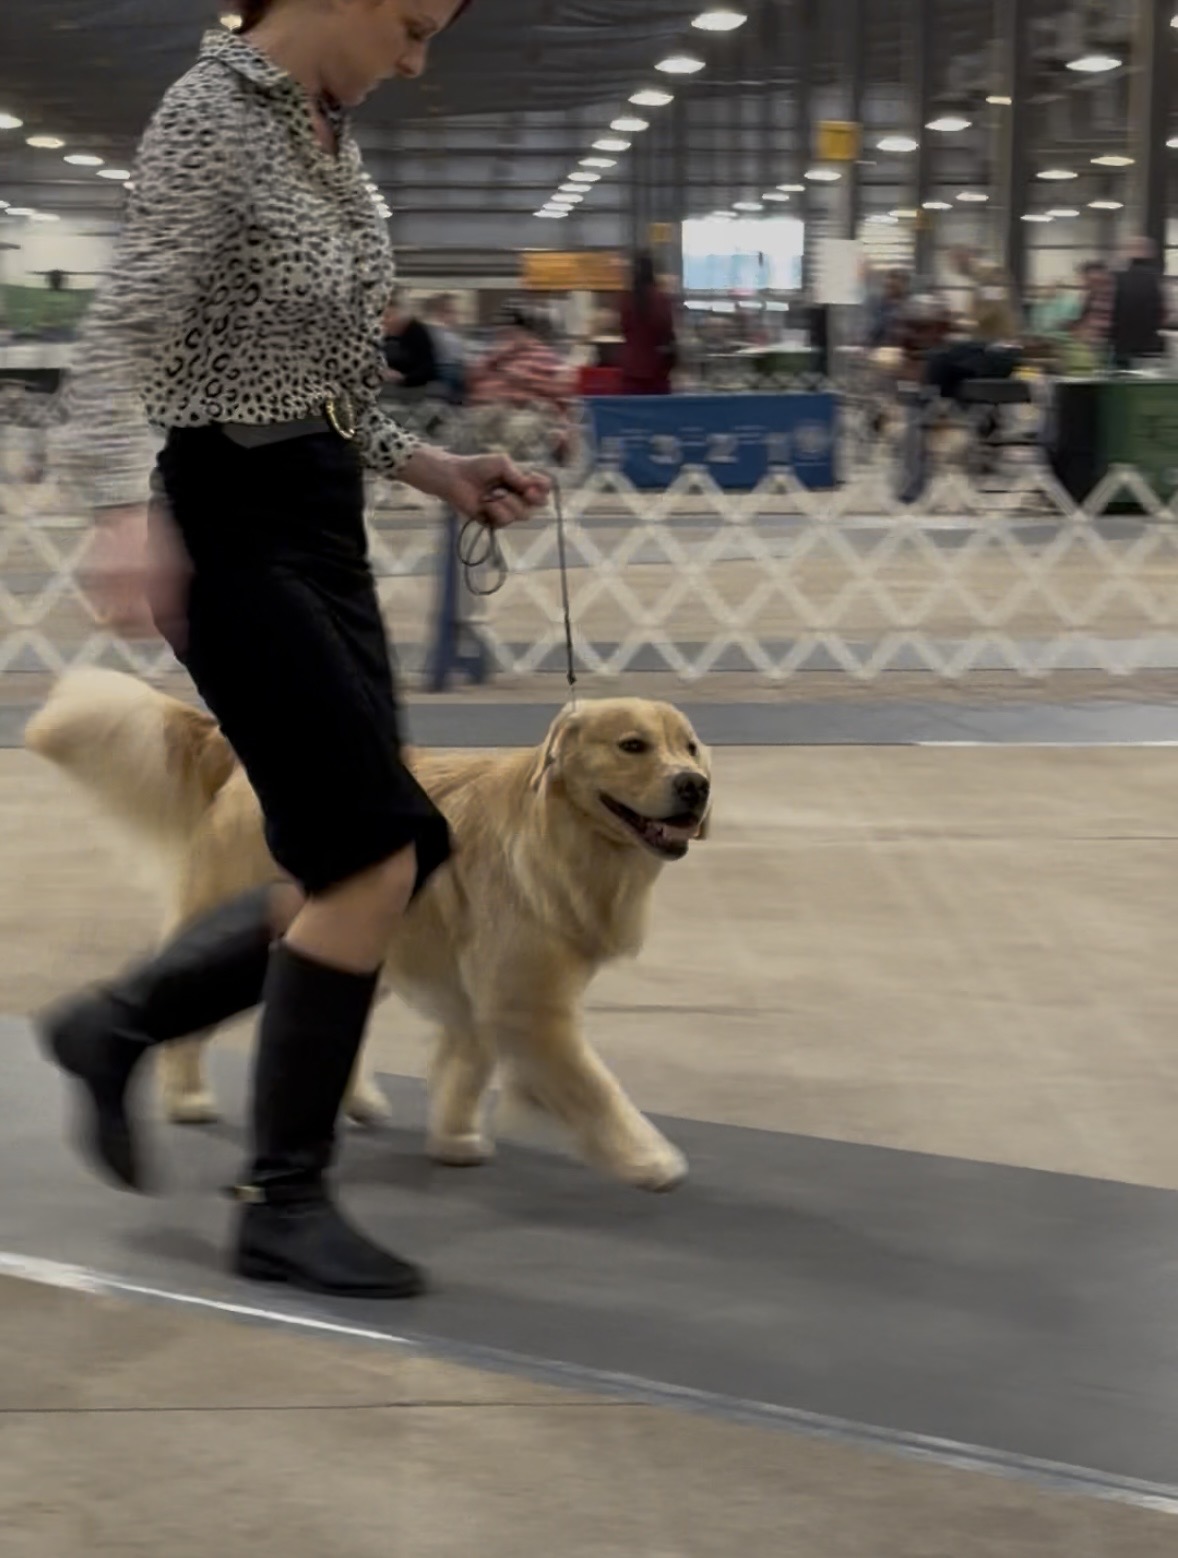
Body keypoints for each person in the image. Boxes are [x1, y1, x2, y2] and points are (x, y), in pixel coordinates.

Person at [41, 0, 550, 1301]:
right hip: (232, 525)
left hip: (321, 521)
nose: (415, 61)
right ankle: (280, 1199)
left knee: (380, 850)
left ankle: (117, 1023)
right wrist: (114, 507)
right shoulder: (212, 114)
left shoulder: (325, 139)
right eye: (411, 27)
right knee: (371, 854)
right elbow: (126, 325)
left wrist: (437, 468)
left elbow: (328, 385)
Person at [618, 251, 677, 395]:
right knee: (657, 407)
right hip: (656, 370)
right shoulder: (660, 299)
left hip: (631, 370)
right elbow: (666, 330)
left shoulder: (627, 299)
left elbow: (624, 328)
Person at [1111, 237, 1167, 369]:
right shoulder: (1158, 280)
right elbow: (1165, 313)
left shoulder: (1116, 278)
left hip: (1120, 345)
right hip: (1150, 345)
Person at [381, 287, 438, 389]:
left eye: (388, 316)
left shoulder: (417, 332)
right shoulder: (379, 332)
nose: (385, 321)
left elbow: (427, 368)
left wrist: (403, 378)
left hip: (410, 388)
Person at [422, 292, 467, 402]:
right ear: (440, 312)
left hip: (454, 369)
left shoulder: (450, 331)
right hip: (444, 370)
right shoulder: (434, 330)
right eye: (452, 311)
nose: (456, 316)